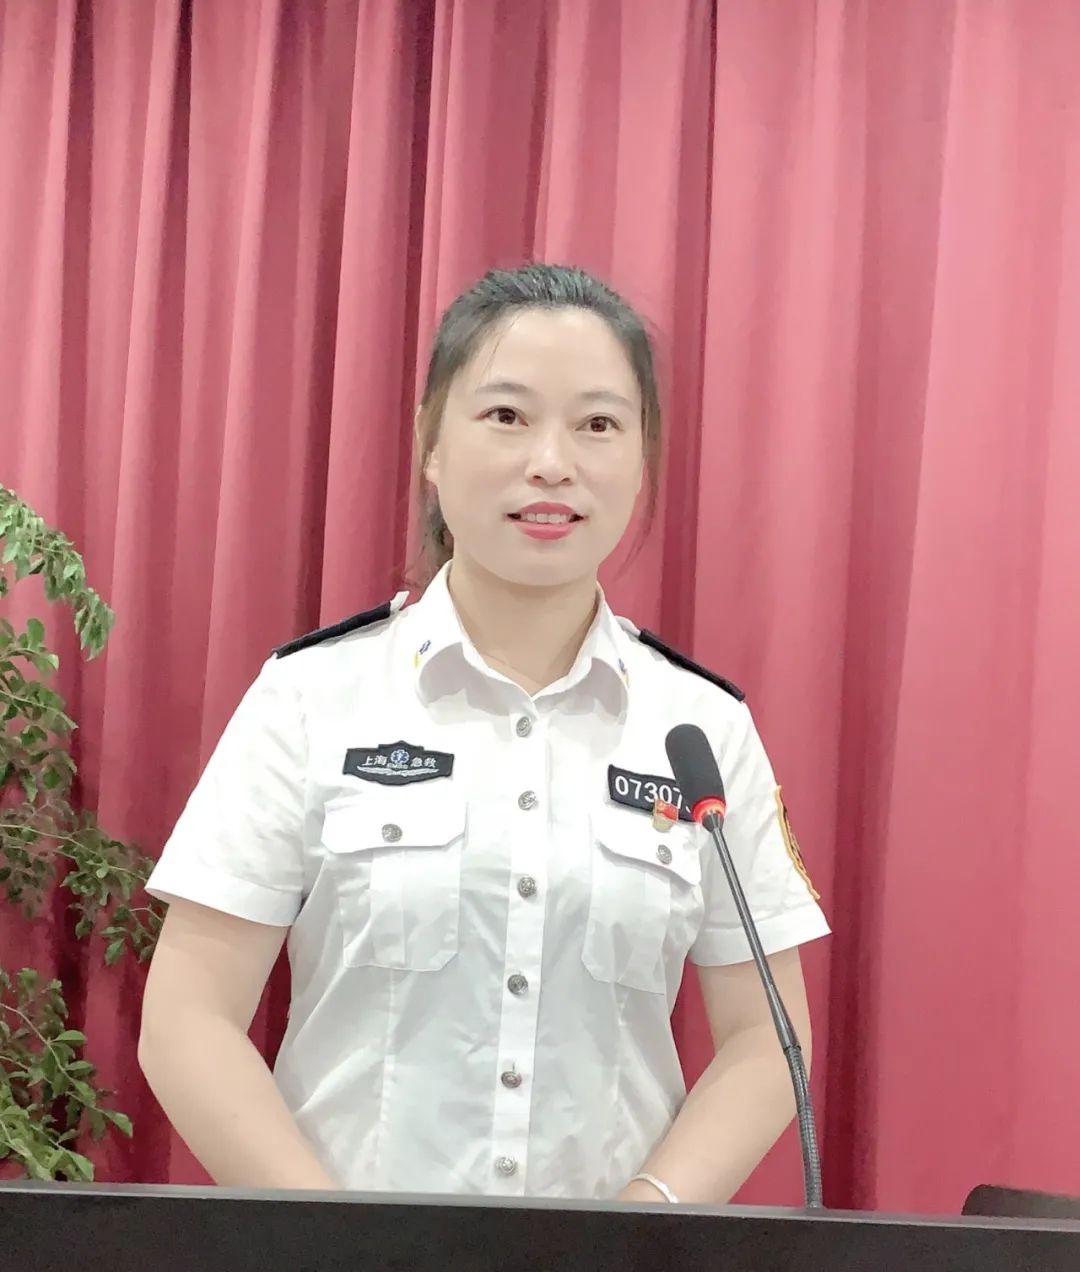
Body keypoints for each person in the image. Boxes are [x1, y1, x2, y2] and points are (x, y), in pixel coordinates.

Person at [138, 263, 830, 1205]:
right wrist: (336, 1243)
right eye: (507, 415)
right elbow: (188, 1018)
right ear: (431, 443)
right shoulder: (312, 698)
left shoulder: (700, 729)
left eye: (598, 425)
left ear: (642, 459)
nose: (552, 462)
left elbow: (766, 1040)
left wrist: (643, 1226)